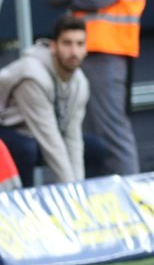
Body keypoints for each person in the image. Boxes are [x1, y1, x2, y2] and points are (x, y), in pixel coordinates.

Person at [43, 0, 145, 176]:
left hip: (109, 52)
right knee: (79, 130)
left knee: (113, 131)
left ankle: (133, 196)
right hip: (77, 54)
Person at [0, 16, 89, 185]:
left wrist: (80, 188)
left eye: (80, 44)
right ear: (53, 46)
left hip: (29, 133)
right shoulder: (32, 75)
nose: (74, 52)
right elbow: (50, 138)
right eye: (67, 43)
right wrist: (69, 188)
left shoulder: (80, 82)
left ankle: (90, 200)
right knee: (26, 149)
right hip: (5, 128)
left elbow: (73, 136)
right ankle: (22, 205)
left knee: (96, 149)